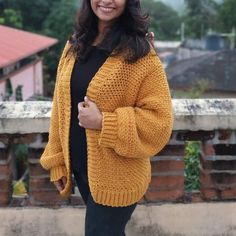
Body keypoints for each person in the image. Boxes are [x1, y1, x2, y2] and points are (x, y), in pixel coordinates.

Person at [39, 0, 173, 235]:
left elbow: (159, 122)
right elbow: (61, 107)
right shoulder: (75, 45)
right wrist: (57, 159)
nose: (107, 1)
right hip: (82, 169)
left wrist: (104, 122)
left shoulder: (141, 54)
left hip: (119, 176)